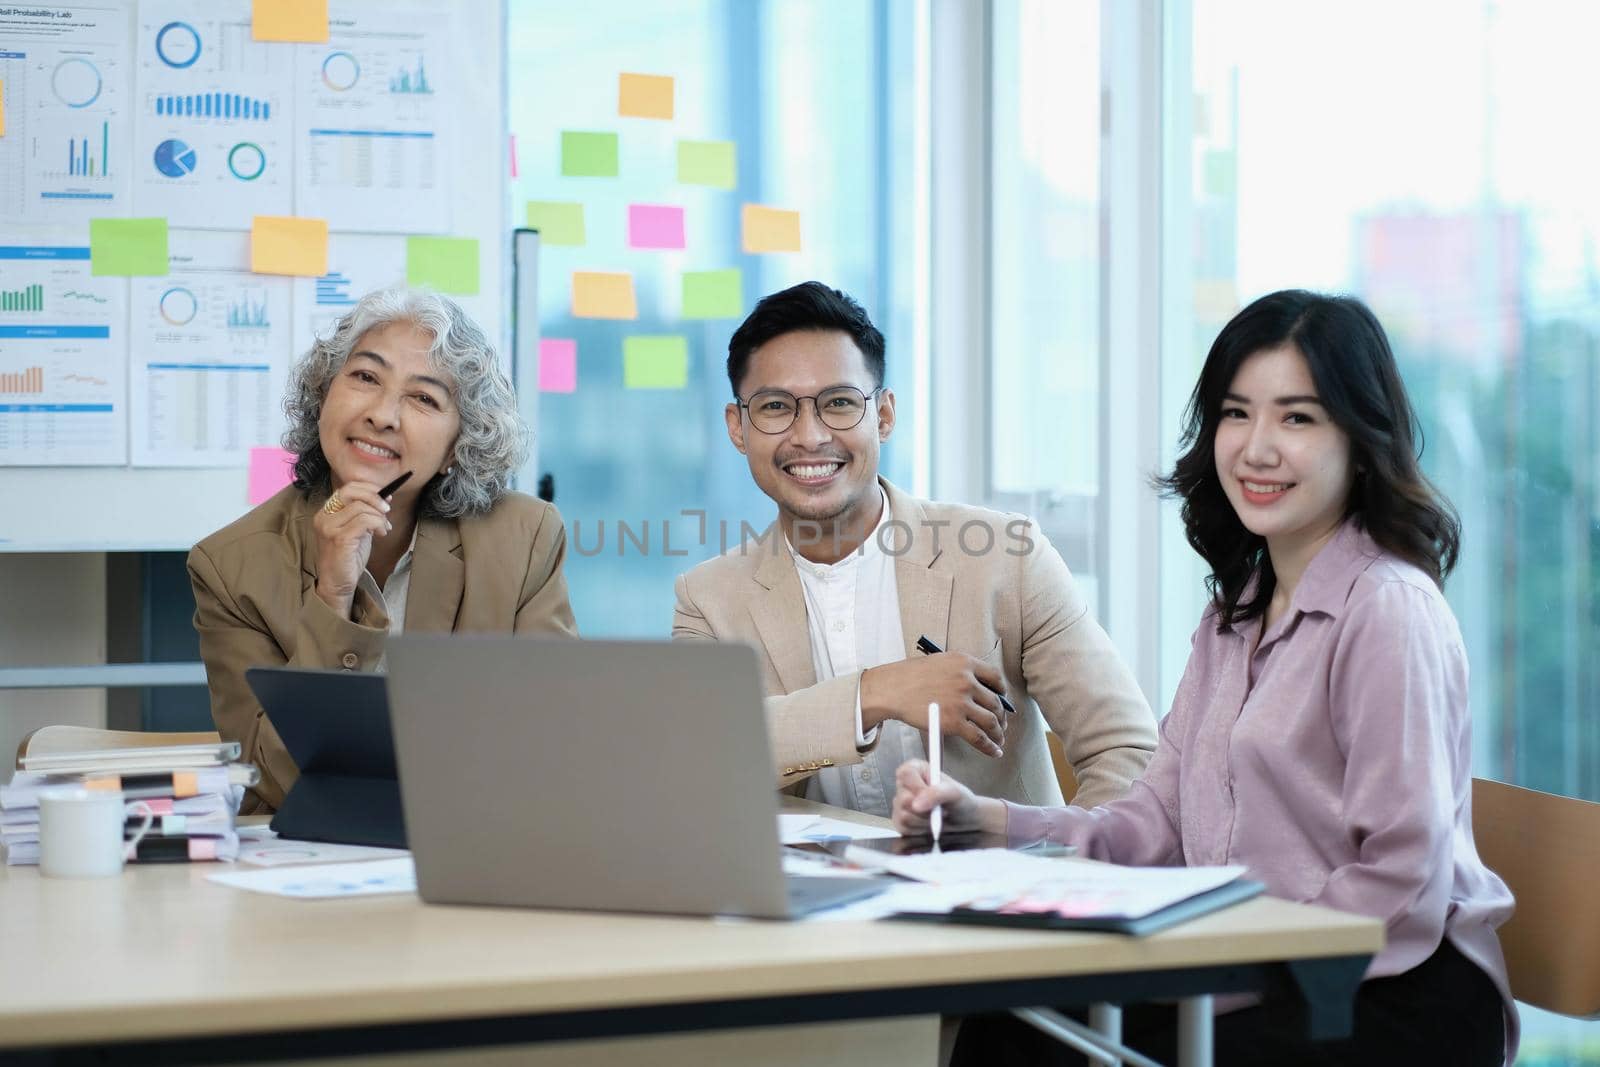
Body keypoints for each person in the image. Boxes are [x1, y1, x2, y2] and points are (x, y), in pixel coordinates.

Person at [893, 290, 1517, 1066]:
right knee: (1004, 1030)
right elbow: (1150, 826)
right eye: (1235, 413)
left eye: (1297, 417)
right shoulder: (1236, 616)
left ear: (1359, 441)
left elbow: (1397, 882)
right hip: (1249, 965)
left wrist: (1217, 964)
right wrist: (982, 820)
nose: (1257, 447)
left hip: (1388, 989)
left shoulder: (1387, 610)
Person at [673, 281, 1157, 816]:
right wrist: (877, 693)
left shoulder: (1005, 556)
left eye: (838, 403)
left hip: (993, 889)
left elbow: (1127, 750)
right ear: (738, 428)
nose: (809, 436)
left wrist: (1060, 864)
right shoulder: (708, 598)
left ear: (883, 416)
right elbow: (698, 752)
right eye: (775, 407)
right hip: (803, 895)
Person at [189, 287, 577, 813]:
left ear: (457, 446)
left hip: (471, 838)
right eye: (365, 377)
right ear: (324, 395)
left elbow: (556, 738)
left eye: (423, 398)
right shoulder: (230, 567)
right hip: (307, 863)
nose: (383, 415)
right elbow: (270, 782)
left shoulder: (524, 535)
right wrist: (333, 596)